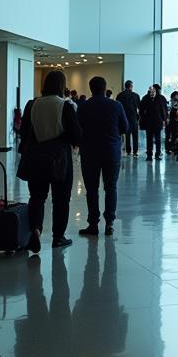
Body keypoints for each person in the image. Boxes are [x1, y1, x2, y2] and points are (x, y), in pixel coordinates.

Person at [19, 69, 82, 252]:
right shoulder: (65, 106)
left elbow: (24, 131)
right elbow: (76, 135)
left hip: (35, 157)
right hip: (59, 159)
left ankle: (36, 230)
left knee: (37, 197)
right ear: (62, 85)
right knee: (61, 199)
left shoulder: (32, 104)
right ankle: (58, 237)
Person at [76, 75, 129, 237]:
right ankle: (110, 223)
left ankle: (93, 223)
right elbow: (125, 127)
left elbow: (78, 129)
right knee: (110, 187)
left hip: (89, 152)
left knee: (92, 189)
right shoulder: (116, 106)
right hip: (111, 151)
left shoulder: (83, 107)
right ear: (105, 89)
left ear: (91, 89)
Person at [139, 84, 167, 161]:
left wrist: (143, 119)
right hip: (158, 122)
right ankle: (157, 155)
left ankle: (149, 156)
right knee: (158, 139)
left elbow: (141, 110)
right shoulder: (161, 98)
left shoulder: (145, 98)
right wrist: (164, 120)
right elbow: (164, 111)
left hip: (148, 122)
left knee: (149, 139)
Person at [116, 80, 141, 156]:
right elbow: (139, 107)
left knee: (127, 135)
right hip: (133, 118)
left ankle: (128, 151)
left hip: (124, 118)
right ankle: (135, 151)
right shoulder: (136, 95)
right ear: (131, 86)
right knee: (135, 135)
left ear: (125, 86)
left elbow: (118, 107)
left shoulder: (120, 95)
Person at [168, 91, 178, 158]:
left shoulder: (176, 102)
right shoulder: (175, 103)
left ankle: (173, 149)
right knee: (175, 136)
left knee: (174, 136)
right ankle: (174, 149)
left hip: (174, 122)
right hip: (174, 122)